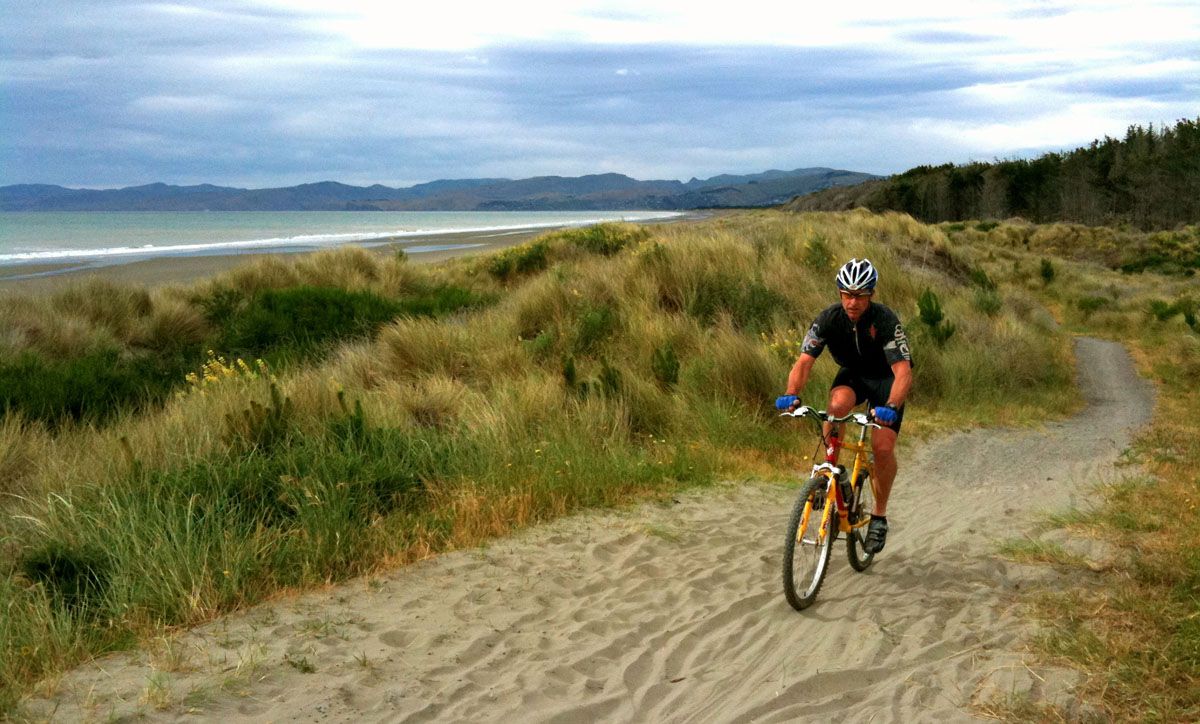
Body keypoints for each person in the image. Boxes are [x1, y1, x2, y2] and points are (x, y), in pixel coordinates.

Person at [775, 258, 913, 554]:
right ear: (839, 293)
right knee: (836, 407)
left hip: (886, 381)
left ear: (871, 295)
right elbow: (803, 363)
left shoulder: (885, 320)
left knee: (883, 447)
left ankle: (879, 514)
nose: (853, 302)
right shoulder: (828, 319)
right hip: (853, 375)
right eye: (847, 294)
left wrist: (890, 405)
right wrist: (791, 393)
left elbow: (903, 373)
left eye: (860, 295)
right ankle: (830, 473)